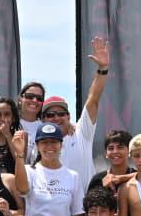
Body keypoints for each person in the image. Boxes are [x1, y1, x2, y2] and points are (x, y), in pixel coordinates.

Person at [13, 124, 85, 216]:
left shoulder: (73, 176)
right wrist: (19, 154)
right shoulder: (29, 170)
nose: (49, 146)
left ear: (61, 145)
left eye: (54, 142)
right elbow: (22, 189)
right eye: (44, 142)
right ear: (38, 146)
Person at [38, 36, 111, 184]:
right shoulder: (39, 144)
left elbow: (93, 100)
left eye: (61, 113)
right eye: (50, 114)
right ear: (43, 119)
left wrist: (102, 69)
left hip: (86, 205)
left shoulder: (82, 133)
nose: (56, 118)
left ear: (69, 116)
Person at [87, 129, 135, 198]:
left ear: (129, 151)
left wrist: (121, 178)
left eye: (120, 147)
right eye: (111, 148)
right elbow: (90, 206)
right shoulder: (97, 180)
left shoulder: (137, 178)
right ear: (106, 153)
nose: (115, 151)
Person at [0, 97, 25, 174]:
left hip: (14, 183)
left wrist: (8, 135)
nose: (2, 119)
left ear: (13, 118)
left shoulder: (20, 136)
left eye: (7, 114)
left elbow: (21, 163)